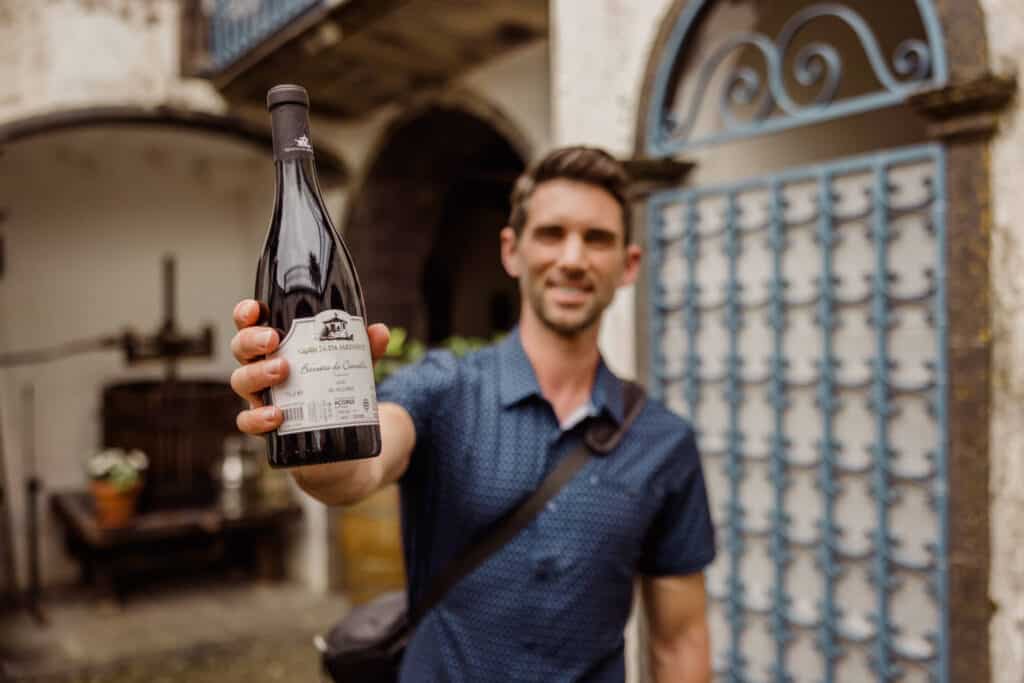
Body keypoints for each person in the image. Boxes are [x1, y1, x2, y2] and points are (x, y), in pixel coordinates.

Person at [230, 146, 716, 682]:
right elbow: (353, 474)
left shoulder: (665, 442)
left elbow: (679, 638)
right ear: (512, 251)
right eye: (552, 234)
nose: (573, 259)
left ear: (628, 264)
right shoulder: (443, 390)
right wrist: (307, 416)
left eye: (597, 238)